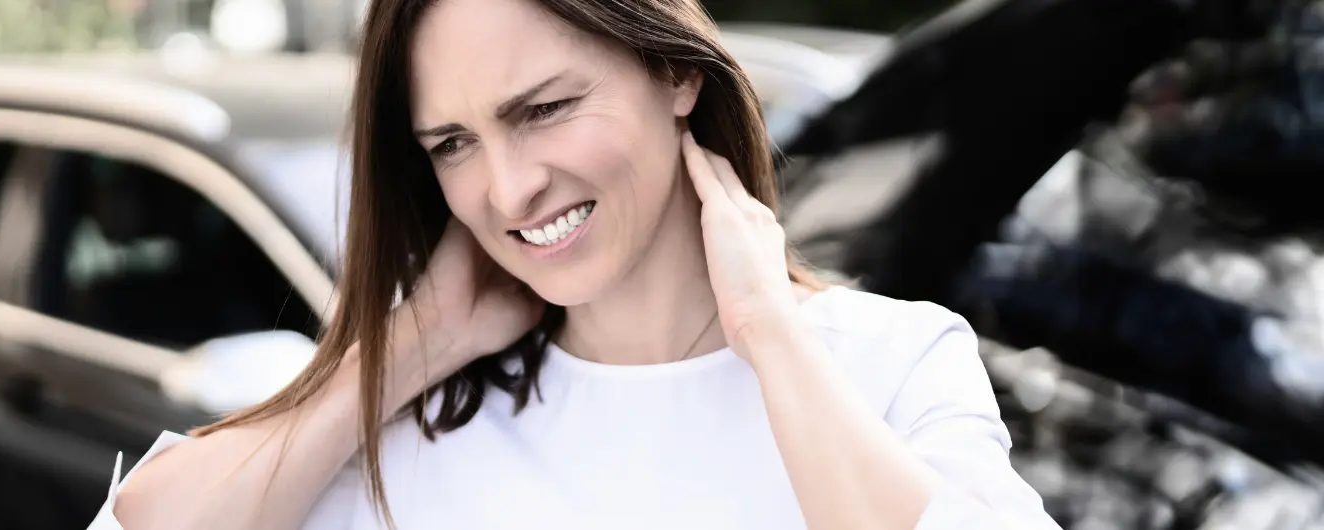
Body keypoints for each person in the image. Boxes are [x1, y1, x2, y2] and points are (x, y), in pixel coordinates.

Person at [90, 0, 1060, 527]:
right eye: (453, 143)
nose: (509, 190)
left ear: (676, 71)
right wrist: (419, 342)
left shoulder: (894, 361)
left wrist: (768, 331)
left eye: (544, 108)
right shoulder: (427, 420)